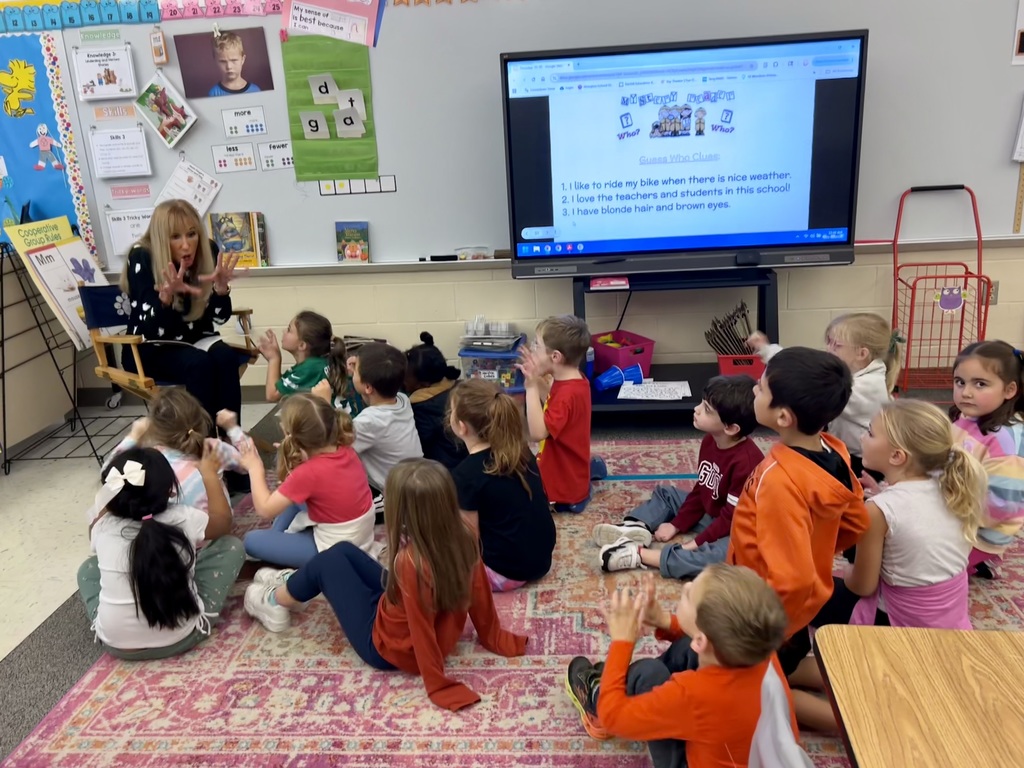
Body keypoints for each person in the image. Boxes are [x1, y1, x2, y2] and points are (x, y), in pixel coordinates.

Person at [243, 459, 529, 711]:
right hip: (415, 622)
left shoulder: (410, 562)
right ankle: (294, 584)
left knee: (326, 563)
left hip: (386, 648)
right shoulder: (464, 536)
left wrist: (437, 682)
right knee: (342, 550)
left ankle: (277, 601)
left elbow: (419, 626)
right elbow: (479, 594)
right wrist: (492, 634)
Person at [789, 399, 985, 732]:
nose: (863, 438)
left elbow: (861, 586)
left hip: (897, 631)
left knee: (799, 613)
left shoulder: (879, 510)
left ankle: (867, 718)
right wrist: (883, 493)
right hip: (949, 631)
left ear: (897, 457)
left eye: (870, 432)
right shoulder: (952, 486)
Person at [728, 348, 870, 714]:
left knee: (749, 694)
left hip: (766, 615)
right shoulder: (834, 450)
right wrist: (816, 548)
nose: (753, 391)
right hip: (800, 610)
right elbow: (856, 520)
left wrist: (764, 629)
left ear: (784, 416)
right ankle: (857, 682)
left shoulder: (777, 480)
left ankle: (863, 718)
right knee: (781, 669)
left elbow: (792, 580)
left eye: (759, 389)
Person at [564, 567, 809, 768]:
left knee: (647, 674)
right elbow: (710, 639)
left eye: (690, 595)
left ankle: (599, 696)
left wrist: (622, 641)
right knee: (685, 648)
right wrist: (663, 621)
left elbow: (614, 718)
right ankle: (620, 686)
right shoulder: (761, 649)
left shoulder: (693, 695)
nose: (687, 586)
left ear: (704, 639)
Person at [77, 447, 245, 659]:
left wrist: (105, 503)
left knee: (88, 569)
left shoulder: (102, 526)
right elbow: (223, 524)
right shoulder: (184, 517)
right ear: (171, 491)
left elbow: (94, 535)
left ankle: (112, 621)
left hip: (117, 645)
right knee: (231, 546)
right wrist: (210, 476)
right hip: (181, 637)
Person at [593, 375, 762, 578]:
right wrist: (677, 524)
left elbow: (730, 518)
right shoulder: (710, 441)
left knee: (720, 559)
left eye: (706, 410)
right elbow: (703, 489)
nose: (696, 409)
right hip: (715, 513)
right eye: (701, 403)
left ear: (731, 427)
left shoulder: (748, 462)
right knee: (667, 494)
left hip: (737, 527)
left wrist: (694, 543)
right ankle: (636, 528)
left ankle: (639, 554)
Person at [118, 199, 246, 429]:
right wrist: (165, 299)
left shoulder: (207, 252)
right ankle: (204, 448)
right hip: (150, 346)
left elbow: (219, 319)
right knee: (199, 365)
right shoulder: (142, 256)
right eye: (175, 237)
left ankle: (233, 445)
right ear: (161, 238)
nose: (187, 245)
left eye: (192, 234)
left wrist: (220, 291)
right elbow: (151, 328)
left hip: (196, 340)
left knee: (226, 358)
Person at [748, 312, 902, 482]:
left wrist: (769, 352)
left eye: (836, 345)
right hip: (841, 446)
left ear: (861, 353)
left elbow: (805, 376)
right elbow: (806, 366)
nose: (828, 349)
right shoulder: (853, 371)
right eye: (828, 342)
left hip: (863, 461)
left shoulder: (869, 387)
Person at [238, 394, 375, 568]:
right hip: (359, 533)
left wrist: (254, 467)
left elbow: (265, 510)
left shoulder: (307, 473)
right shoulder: (345, 448)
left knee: (251, 540)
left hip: (334, 550)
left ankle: (279, 541)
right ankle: (278, 538)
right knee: (293, 500)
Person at [448, 378, 556, 591]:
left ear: (461, 427)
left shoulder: (465, 475)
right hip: (542, 560)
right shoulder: (522, 450)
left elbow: (468, 541)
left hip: (506, 572)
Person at [104, 387, 251, 518]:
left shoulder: (150, 460)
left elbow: (110, 475)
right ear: (201, 418)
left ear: (154, 428)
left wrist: (133, 436)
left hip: (171, 537)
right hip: (214, 531)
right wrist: (232, 427)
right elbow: (249, 463)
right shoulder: (214, 449)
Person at [949, 340, 1024, 579]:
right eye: (960, 382)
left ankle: (984, 560)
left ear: (1009, 390)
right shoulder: (966, 417)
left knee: (920, 564)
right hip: (957, 512)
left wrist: (947, 511)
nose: (966, 392)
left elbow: (1003, 506)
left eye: (980, 384)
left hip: (981, 530)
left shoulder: (1005, 441)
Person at [518, 315, 606, 513]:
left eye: (537, 345)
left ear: (556, 357)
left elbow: (538, 432)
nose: (533, 349)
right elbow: (552, 400)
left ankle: (579, 495)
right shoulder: (572, 379)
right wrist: (537, 376)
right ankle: (589, 471)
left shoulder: (567, 394)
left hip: (564, 481)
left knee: (518, 491)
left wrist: (530, 387)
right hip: (570, 460)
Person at [350, 342, 424, 502]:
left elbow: (331, 446)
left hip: (393, 498)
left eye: (355, 370)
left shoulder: (367, 422)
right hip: (418, 484)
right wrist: (359, 373)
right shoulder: (402, 400)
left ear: (368, 387)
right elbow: (373, 400)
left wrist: (323, 402)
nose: (352, 372)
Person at [260, 310, 362, 415]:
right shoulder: (321, 363)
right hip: (348, 424)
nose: (284, 331)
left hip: (335, 428)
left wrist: (274, 359)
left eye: (289, 330)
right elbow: (284, 386)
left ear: (302, 345)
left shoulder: (308, 369)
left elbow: (272, 394)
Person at [405, 331, 466, 470]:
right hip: (465, 462)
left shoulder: (423, 408)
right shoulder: (457, 387)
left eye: (405, 376)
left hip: (445, 472)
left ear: (424, 383)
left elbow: (417, 447)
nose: (402, 379)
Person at [207, 31, 261, 97]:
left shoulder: (255, 90)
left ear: (243, 59)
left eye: (234, 60)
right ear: (216, 61)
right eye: (223, 61)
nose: (229, 67)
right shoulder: (214, 94)